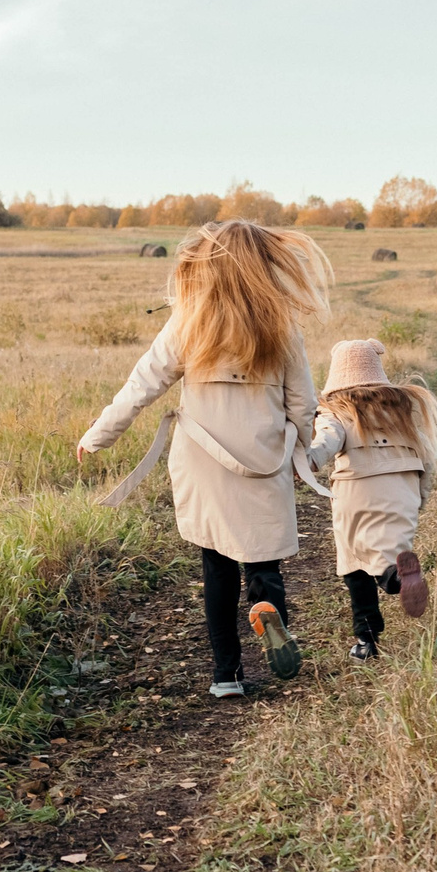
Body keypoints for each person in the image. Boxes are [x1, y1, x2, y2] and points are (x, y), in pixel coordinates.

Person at [78, 220, 328, 696]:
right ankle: (267, 607)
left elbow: (142, 386)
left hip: (203, 460)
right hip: (263, 457)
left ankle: (226, 676)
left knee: (215, 564)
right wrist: (299, 454)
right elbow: (302, 404)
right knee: (263, 560)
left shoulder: (188, 320)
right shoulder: (281, 323)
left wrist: (98, 436)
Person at [305, 338, 437, 658]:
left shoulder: (336, 409)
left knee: (355, 563)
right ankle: (396, 574)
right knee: (390, 550)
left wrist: (309, 462)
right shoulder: (402, 409)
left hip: (357, 488)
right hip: (403, 485)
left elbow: (328, 439)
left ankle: (367, 640)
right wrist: (420, 496)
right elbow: (427, 456)